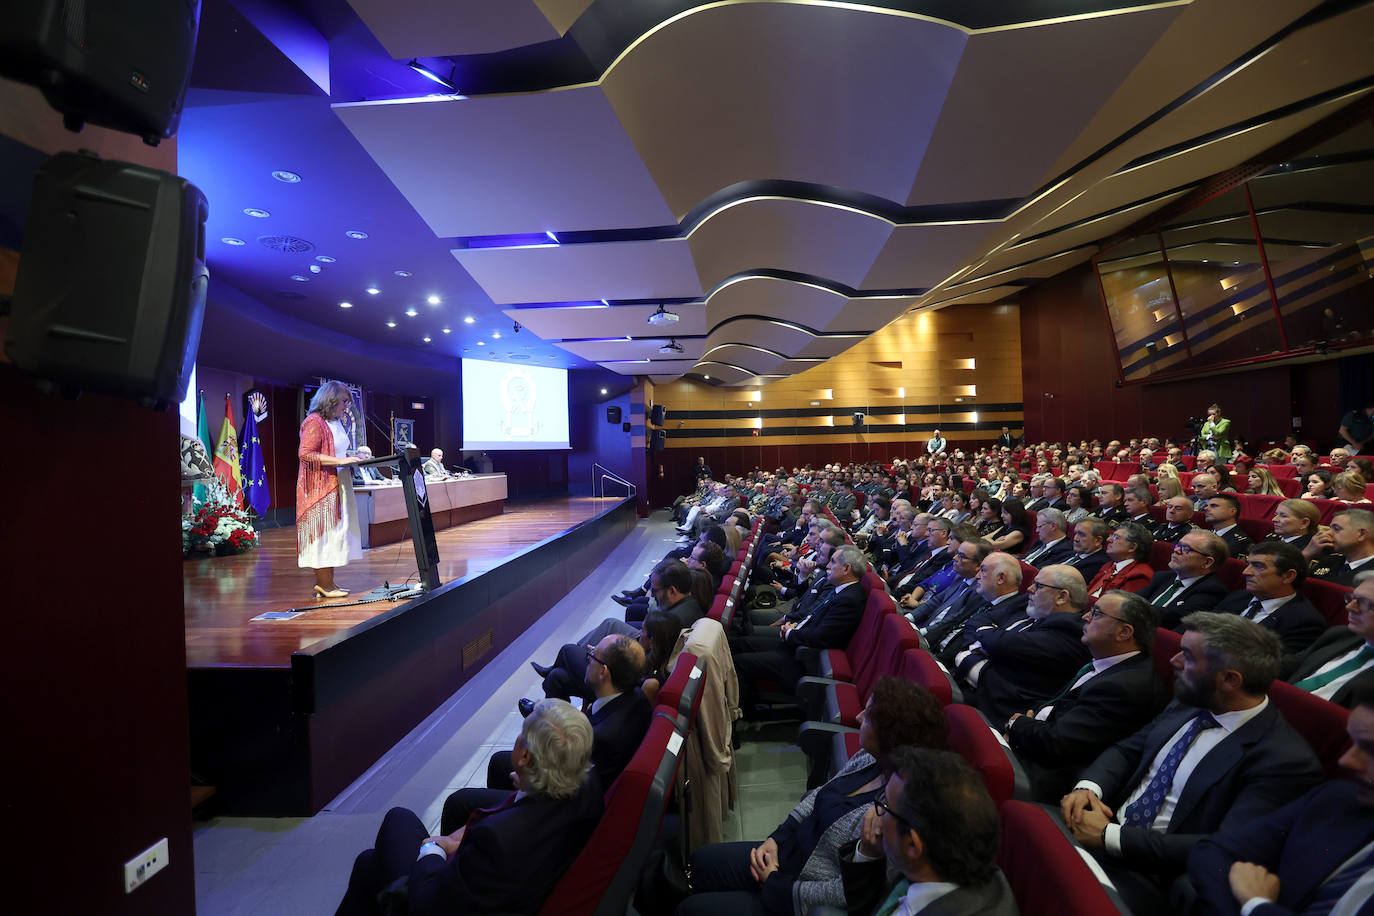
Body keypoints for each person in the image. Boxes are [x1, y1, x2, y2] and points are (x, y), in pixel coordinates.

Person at [1060, 613, 1323, 915]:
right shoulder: (1192, 699)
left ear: (1229, 679)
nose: (1173, 660)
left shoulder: (1284, 760)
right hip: (1098, 824)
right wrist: (1088, 788)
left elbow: (1225, 845)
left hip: (1151, 873)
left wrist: (1111, 837)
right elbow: (1128, 749)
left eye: (1187, 656)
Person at [678, 680, 949, 916]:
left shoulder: (891, 812)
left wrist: (773, 882)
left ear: (889, 736)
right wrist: (777, 837)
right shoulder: (871, 758)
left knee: (690, 910)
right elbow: (821, 793)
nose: (857, 716)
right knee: (702, 861)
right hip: (787, 853)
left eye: (867, 717)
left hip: (798, 896)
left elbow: (845, 893)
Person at [336, 699, 603, 916]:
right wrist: (527, 783)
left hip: (444, 901)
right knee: (368, 865)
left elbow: (426, 907)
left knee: (398, 818)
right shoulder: (588, 787)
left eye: (521, 735)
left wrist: (435, 848)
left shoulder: (497, 839)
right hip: (520, 885)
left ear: (524, 756)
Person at [1188, 682, 1374, 916]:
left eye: (1371, 749)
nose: (1346, 761)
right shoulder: (1336, 798)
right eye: (1353, 742)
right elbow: (1212, 853)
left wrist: (1256, 906)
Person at [1005, 590, 1169, 802]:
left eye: (1097, 613)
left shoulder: (1126, 686)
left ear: (1124, 632)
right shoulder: (1107, 660)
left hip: (1048, 778)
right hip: (1035, 743)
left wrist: (1018, 725)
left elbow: (1059, 744)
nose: (1085, 617)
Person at [836, 747, 1017, 915]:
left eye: (885, 805)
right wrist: (870, 854)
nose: (877, 815)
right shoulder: (940, 867)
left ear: (913, 845)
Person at [733, 546, 868, 707]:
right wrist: (793, 627)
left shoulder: (849, 599)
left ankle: (737, 713)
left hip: (800, 658)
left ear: (846, 568)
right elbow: (813, 617)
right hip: (796, 639)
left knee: (739, 662)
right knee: (740, 643)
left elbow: (822, 638)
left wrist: (791, 633)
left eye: (832, 562)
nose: (827, 566)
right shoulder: (843, 591)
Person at [956, 563, 1092, 723]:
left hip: (998, 712)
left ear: (1062, 597)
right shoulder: (1031, 606)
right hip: (976, 688)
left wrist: (986, 641)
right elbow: (979, 620)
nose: (1030, 589)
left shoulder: (1069, 632)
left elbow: (1000, 643)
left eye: (1039, 586)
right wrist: (989, 639)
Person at [297, 380, 362, 598]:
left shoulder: (335, 422)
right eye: (344, 401)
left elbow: (337, 452)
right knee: (323, 536)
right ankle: (323, 585)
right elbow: (306, 454)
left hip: (339, 483)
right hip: (319, 488)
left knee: (334, 535)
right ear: (331, 399)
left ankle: (329, 584)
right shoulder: (314, 421)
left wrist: (355, 458)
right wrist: (340, 462)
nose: (346, 407)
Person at [1212, 541, 1327, 665]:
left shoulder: (1305, 623)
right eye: (1248, 564)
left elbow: (1271, 669)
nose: (1246, 572)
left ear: (1288, 576)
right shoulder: (1239, 596)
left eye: (1258, 566)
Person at [1282, 571, 1374, 707]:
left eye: (1365, 603)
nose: (1349, 607)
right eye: (1353, 598)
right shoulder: (1341, 635)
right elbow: (1284, 666)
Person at [1139, 530, 1231, 631]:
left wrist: (1130, 606)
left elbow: (1173, 618)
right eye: (1178, 545)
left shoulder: (1212, 590)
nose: (1176, 550)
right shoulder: (1162, 576)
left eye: (1186, 549)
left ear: (1207, 562)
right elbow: (1136, 598)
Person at [1084, 522, 1155, 605]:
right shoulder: (1109, 565)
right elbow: (1089, 590)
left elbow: (1114, 608)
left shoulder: (1140, 575)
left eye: (1116, 537)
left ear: (1132, 547)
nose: (1108, 540)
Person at [1309, 508, 1374, 585]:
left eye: (1336, 529)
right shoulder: (1330, 560)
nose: (1328, 533)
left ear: (1362, 534)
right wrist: (1307, 554)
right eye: (1330, 528)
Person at [1204, 493, 1253, 560]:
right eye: (1206, 505)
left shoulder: (1241, 543)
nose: (1206, 508)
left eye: (1214, 506)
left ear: (1232, 511)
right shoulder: (1206, 535)